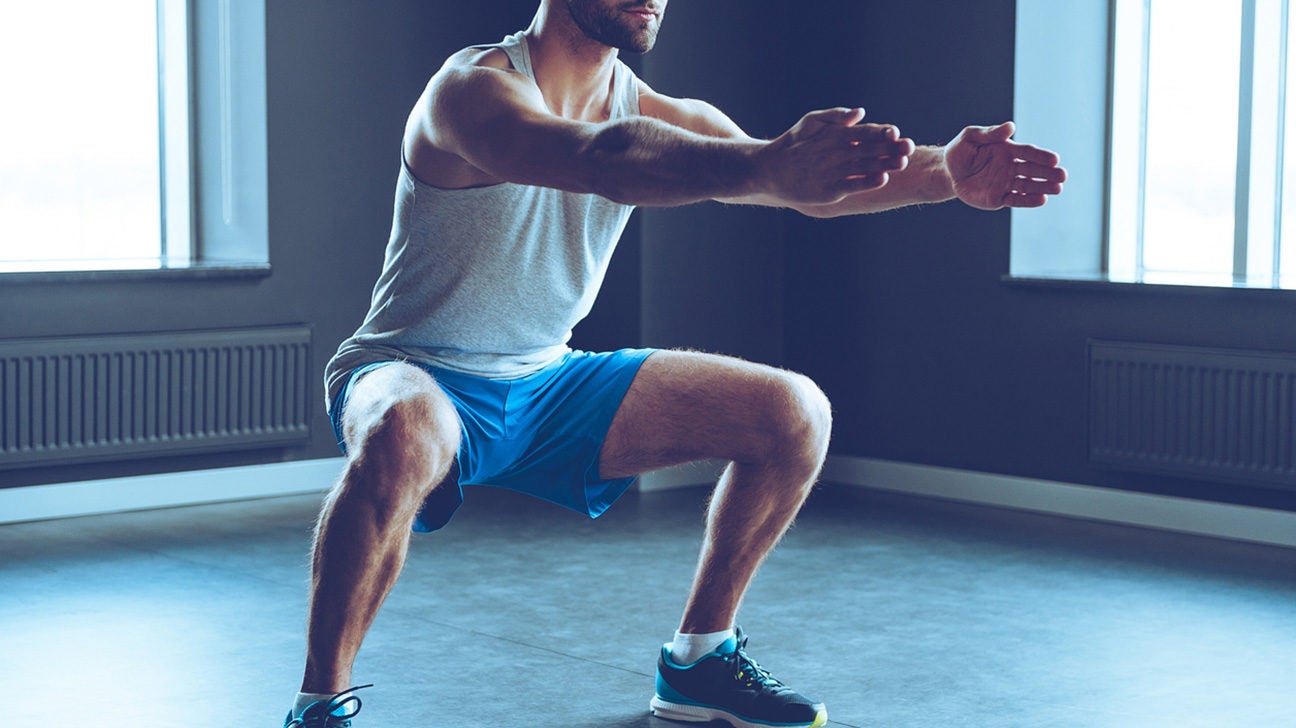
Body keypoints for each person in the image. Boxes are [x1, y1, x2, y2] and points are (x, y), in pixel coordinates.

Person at [285, 1, 1066, 726]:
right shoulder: (471, 91)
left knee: (794, 413)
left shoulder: (660, 114)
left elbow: (796, 187)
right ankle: (319, 705)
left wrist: (943, 175)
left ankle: (699, 661)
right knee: (405, 427)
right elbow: (600, 157)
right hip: (414, 365)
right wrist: (764, 164)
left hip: (545, 381)